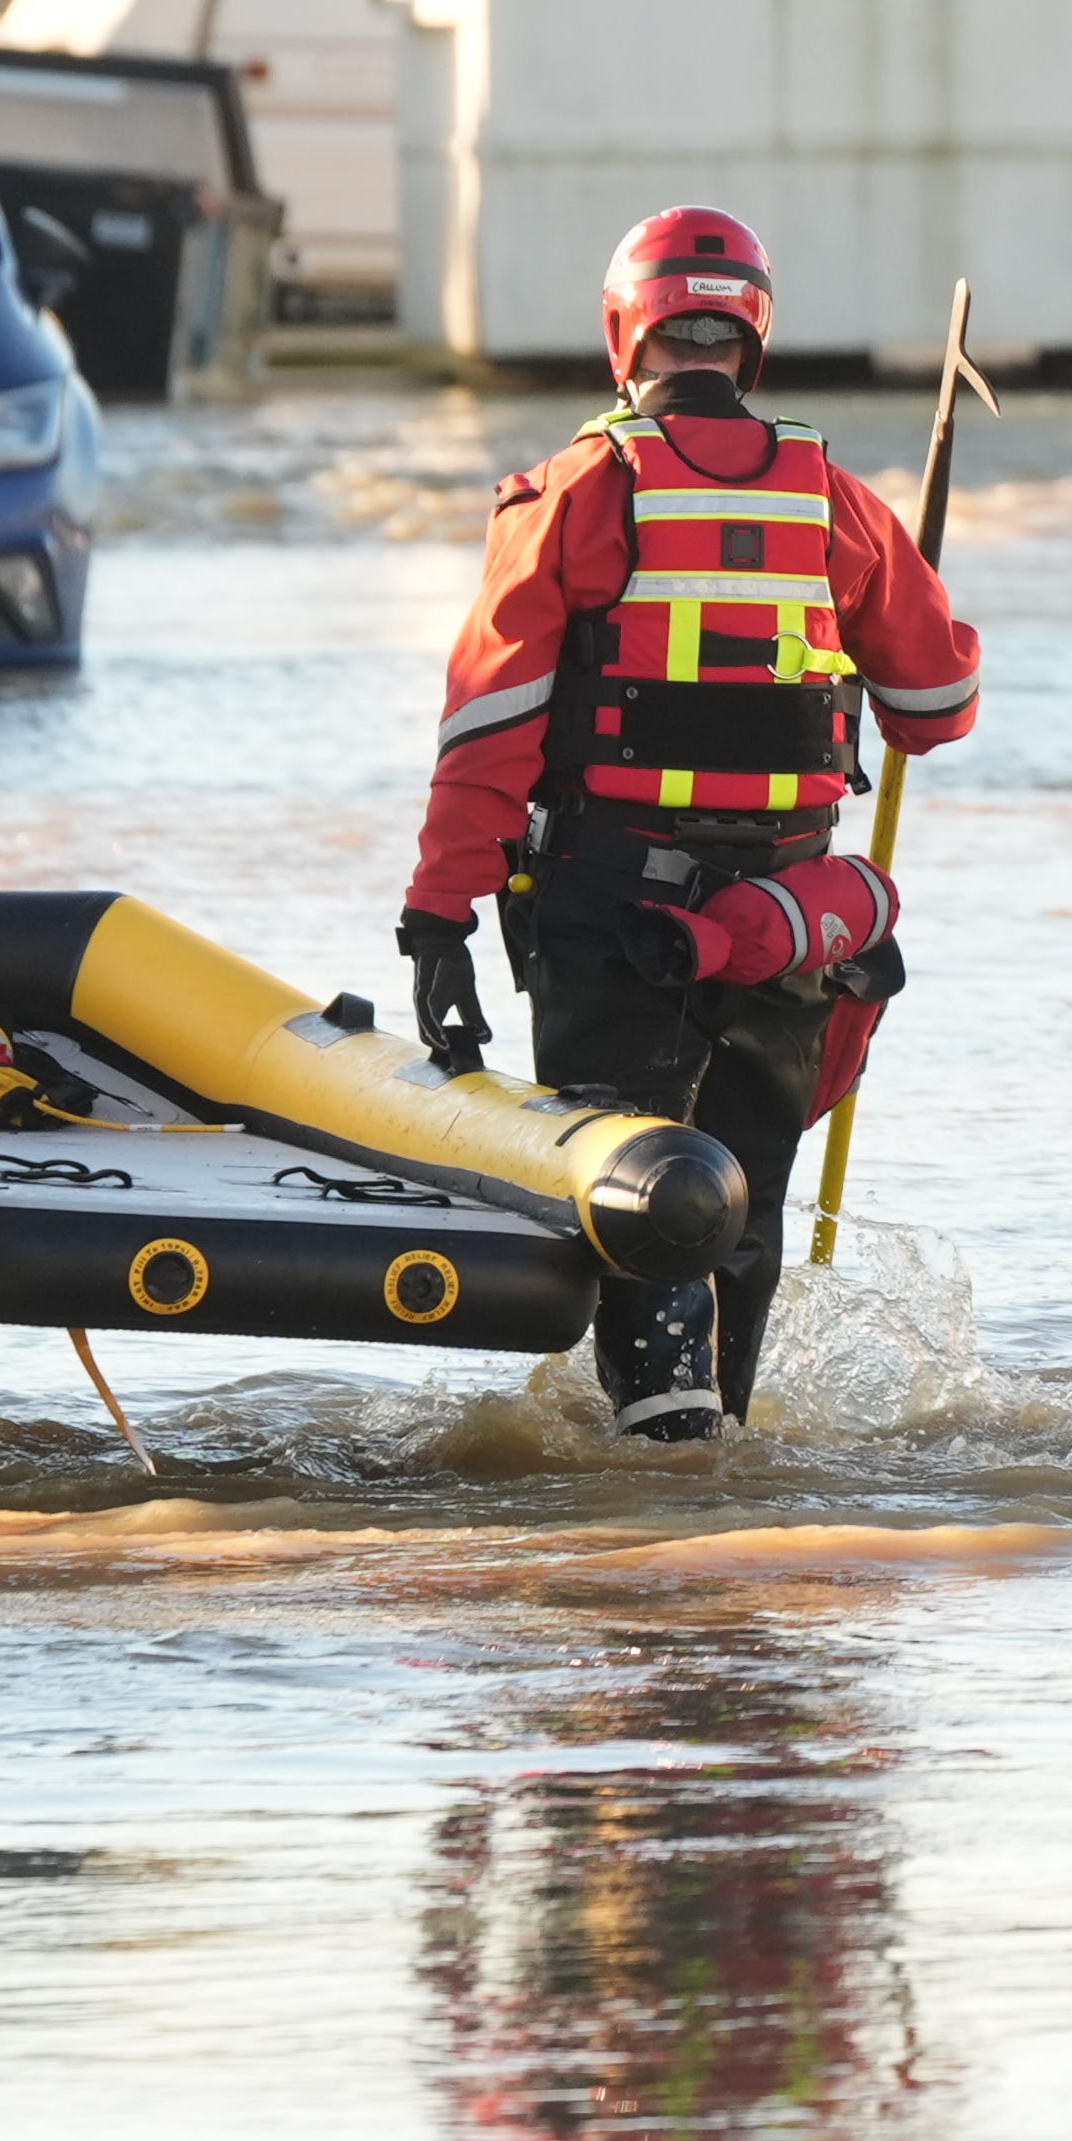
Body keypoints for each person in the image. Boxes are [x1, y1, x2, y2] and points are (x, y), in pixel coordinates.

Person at [399, 206, 978, 1442]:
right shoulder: (839, 503)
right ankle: (727, 1492)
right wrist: (920, 598)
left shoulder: (567, 496)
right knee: (743, 1204)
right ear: (751, 337)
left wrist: (437, 918)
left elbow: (485, 737)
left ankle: (664, 1493)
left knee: (640, 1201)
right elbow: (936, 709)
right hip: (785, 926)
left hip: (614, 915)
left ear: (627, 334)